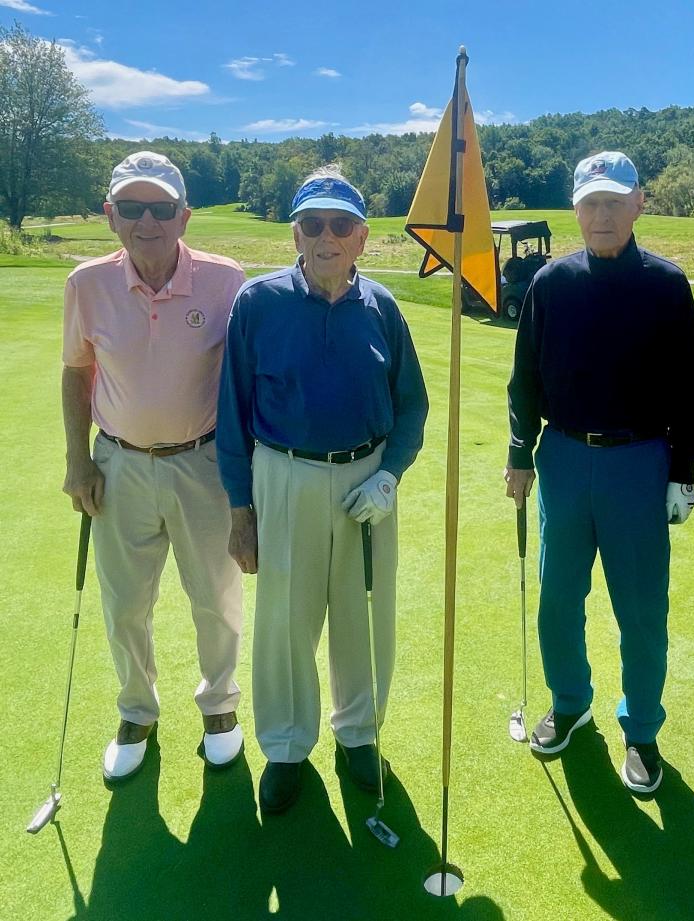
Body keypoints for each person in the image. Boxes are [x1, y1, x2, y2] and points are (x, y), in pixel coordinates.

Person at [217, 167, 428, 814]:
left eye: (341, 224)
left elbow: (411, 408)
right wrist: (241, 510)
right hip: (283, 476)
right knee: (284, 623)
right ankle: (285, 745)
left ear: (362, 237)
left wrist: (390, 473)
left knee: (363, 618)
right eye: (313, 223)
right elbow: (233, 413)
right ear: (296, 234)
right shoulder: (258, 303)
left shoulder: (383, 308)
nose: (326, 236)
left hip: (367, 482)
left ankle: (358, 733)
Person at [504, 151, 694, 793]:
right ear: (576, 208)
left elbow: (691, 390)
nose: (603, 214)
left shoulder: (666, 284)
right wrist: (518, 455)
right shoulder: (550, 283)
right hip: (562, 459)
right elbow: (525, 380)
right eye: (592, 203)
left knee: (641, 609)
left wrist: (682, 470)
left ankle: (642, 730)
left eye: (615, 202)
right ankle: (571, 703)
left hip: (639, 463)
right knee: (558, 598)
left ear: (638, 203)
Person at [61, 151, 246, 781]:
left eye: (161, 208)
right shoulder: (87, 284)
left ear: (183, 216)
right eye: (133, 207)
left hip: (203, 464)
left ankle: (219, 706)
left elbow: (247, 378)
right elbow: (77, 371)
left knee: (216, 598)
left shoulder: (228, 280)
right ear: (111, 215)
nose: (148, 220)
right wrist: (77, 458)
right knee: (125, 602)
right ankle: (137, 710)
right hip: (119, 466)